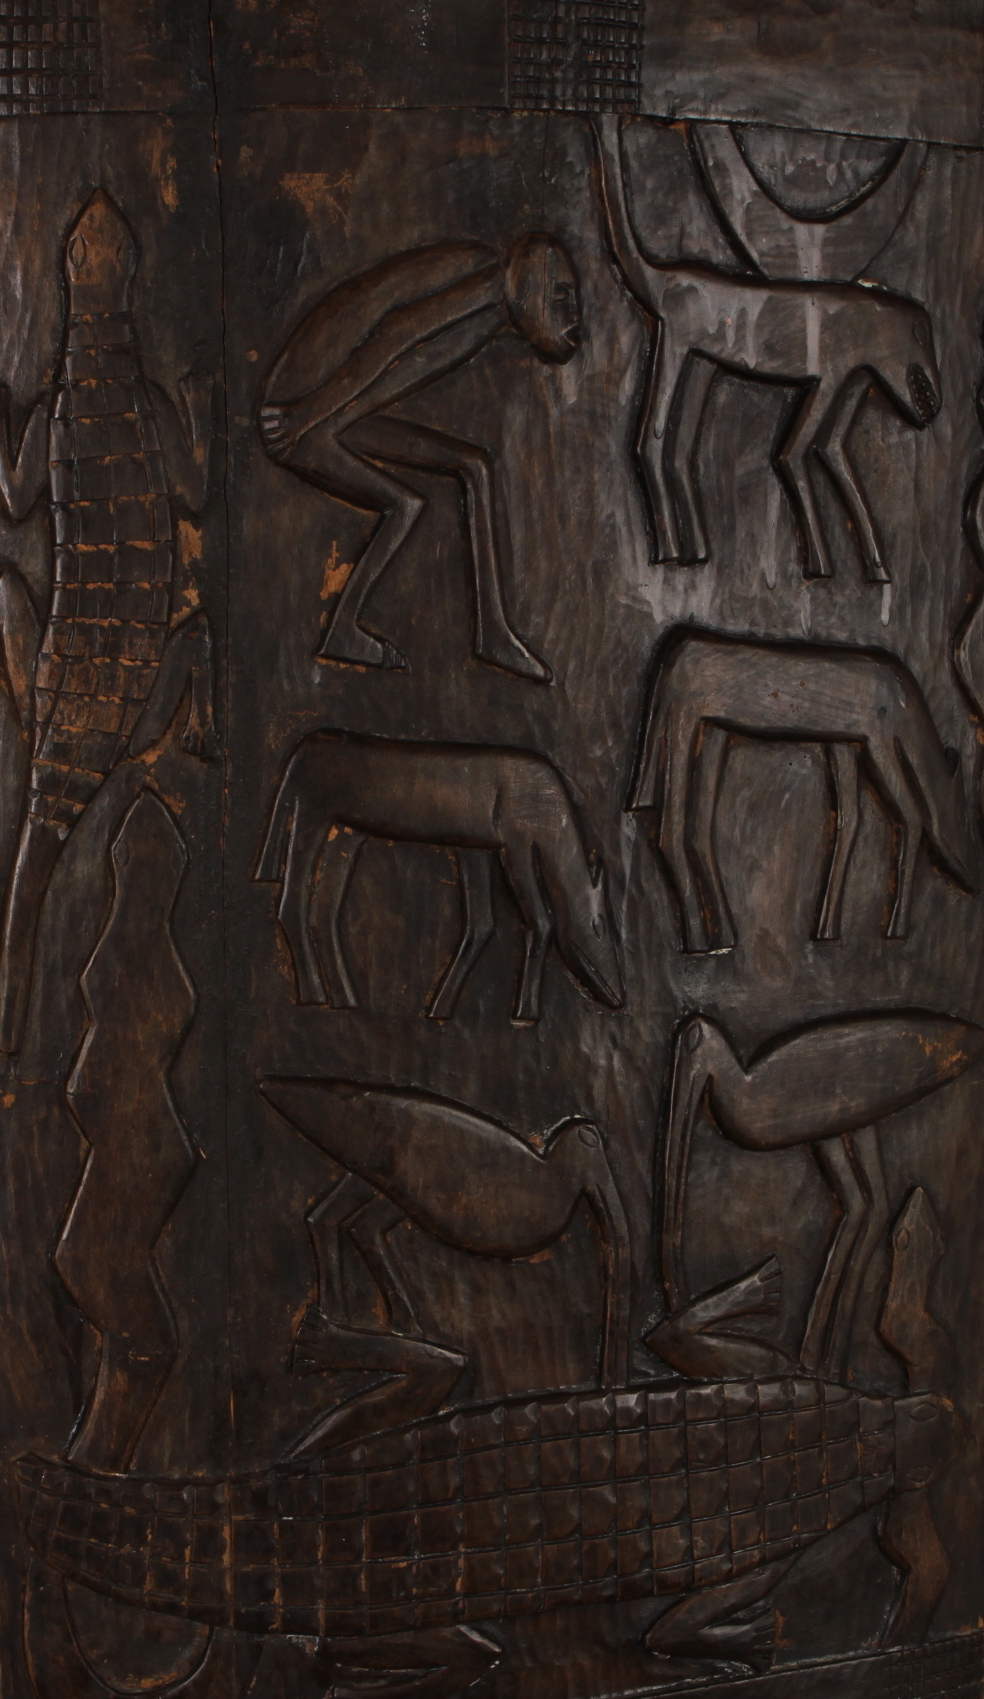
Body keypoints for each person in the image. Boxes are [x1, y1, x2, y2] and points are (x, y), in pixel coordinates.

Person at [260, 233, 581, 676]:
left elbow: (411, 363)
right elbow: (395, 335)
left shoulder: (490, 316)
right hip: (299, 409)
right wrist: (305, 414)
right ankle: (342, 631)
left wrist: (336, 415)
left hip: (336, 410)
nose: (573, 316)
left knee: (474, 465)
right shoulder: (486, 279)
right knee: (405, 503)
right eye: (561, 297)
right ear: (532, 283)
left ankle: (492, 634)